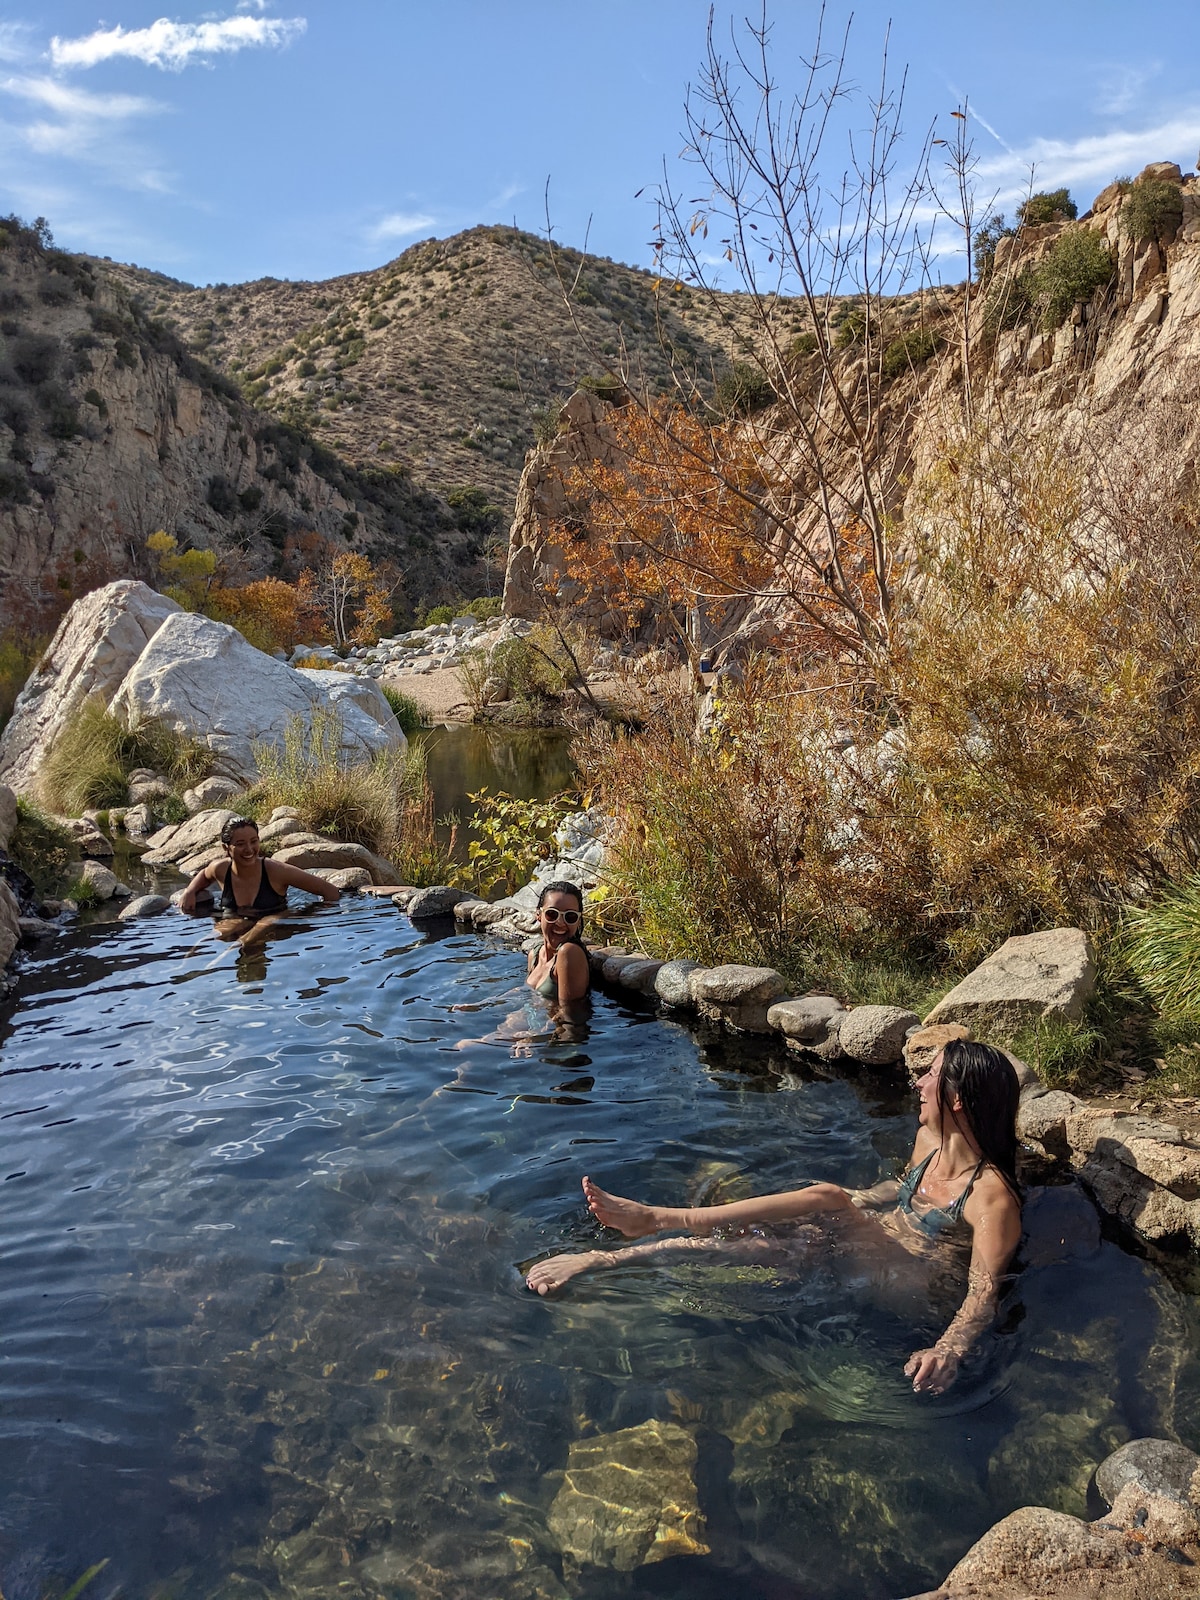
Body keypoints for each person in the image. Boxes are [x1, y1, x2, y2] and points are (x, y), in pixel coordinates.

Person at [525, 1039, 1022, 1396]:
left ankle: (659, 1217)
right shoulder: (928, 1144)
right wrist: (855, 1202)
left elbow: (983, 1291)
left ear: (957, 1098)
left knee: (824, 1198)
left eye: (931, 1074)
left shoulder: (991, 1196)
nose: (918, 1082)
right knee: (762, 1244)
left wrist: (949, 1350)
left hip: (914, 1287)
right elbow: (896, 1192)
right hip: (874, 1254)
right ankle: (604, 1259)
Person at [176, 815, 340, 943]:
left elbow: (330, 892)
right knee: (212, 940)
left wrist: (305, 918)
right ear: (226, 848)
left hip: (272, 926)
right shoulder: (221, 869)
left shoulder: (276, 871)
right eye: (240, 844)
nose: (249, 849)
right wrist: (190, 891)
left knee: (255, 933)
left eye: (254, 841)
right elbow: (205, 875)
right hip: (236, 923)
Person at [525, 881, 591, 1005]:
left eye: (570, 916)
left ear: (578, 920)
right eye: (552, 914)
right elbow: (529, 996)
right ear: (538, 915)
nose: (560, 923)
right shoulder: (535, 954)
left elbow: (568, 1013)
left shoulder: (569, 953)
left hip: (545, 1024)